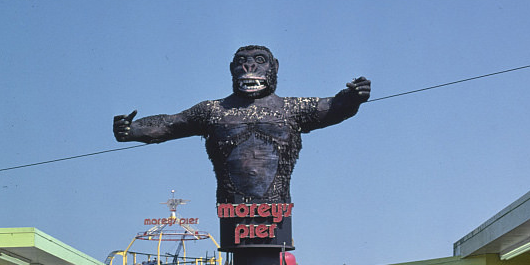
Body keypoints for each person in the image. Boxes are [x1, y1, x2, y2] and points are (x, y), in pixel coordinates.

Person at [113, 46, 370, 205]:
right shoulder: (213, 110)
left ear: (274, 67)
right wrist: (131, 130)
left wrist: (354, 96)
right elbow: (170, 124)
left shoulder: (292, 108)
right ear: (232, 69)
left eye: (259, 60)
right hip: (230, 208)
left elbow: (335, 106)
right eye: (242, 62)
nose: (249, 66)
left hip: (277, 208)